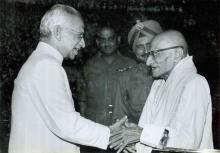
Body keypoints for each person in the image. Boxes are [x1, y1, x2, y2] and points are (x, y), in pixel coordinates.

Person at [8, 4, 126, 153]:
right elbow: (66, 124)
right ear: (58, 32)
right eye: (79, 35)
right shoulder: (46, 66)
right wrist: (111, 134)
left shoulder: (41, 61)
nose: (82, 44)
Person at [110, 30, 213, 153]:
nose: (148, 62)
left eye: (155, 54)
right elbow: (146, 133)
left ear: (177, 53)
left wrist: (141, 134)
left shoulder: (195, 83)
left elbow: (187, 143)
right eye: (149, 55)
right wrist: (132, 142)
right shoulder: (158, 84)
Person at [79, 26, 135, 153]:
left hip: (122, 134)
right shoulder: (88, 66)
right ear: (97, 42)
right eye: (102, 39)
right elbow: (82, 100)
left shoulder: (131, 65)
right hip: (95, 134)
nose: (107, 43)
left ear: (118, 40)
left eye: (111, 39)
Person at [114, 20, 162, 124]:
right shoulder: (125, 78)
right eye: (139, 46)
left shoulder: (170, 75)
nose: (145, 50)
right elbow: (120, 117)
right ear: (133, 51)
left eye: (149, 45)